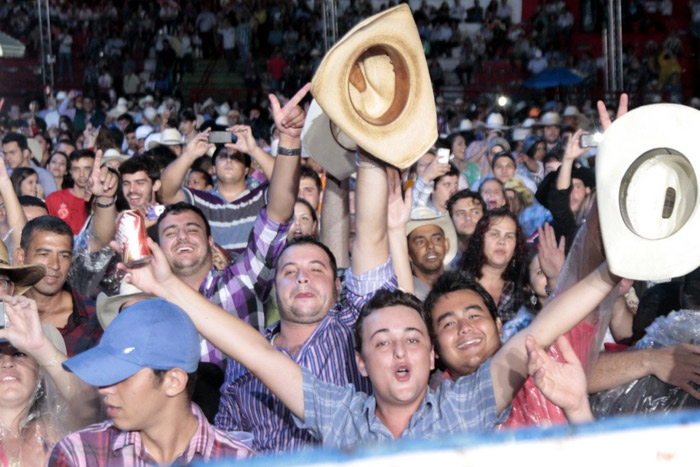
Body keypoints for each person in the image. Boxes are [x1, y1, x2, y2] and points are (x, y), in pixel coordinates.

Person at [118, 234, 616, 450]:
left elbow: (538, 331)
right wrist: (166, 288)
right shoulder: (340, 415)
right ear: (360, 360)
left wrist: (610, 273)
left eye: (412, 339)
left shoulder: (465, 407)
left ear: (430, 355)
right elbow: (256, 352)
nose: (399, 352)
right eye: (382, 342)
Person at [49, 300, 254, 465]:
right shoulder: (80, 455)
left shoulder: (240, 460)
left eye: (122, 375)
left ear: (174, 381)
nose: (105, 389)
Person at [0, 259, 99, 465]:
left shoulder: (58, 429)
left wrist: (39, 348)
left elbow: (90, 406)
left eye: (19, 354)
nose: (7, 363)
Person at [459, 207, 527, 323]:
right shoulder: (458, 283)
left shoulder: (525, 283)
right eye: (494, 234)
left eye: (509, 236)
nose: (502, 241)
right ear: (480, 239)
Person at [46, 150, 95, 235]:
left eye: (87, 169)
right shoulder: (54, 199)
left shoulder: (100, 201)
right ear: (70, 172)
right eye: (76, 169)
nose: (81, 174)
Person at [2, 133, 57, 198]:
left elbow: (53, 203)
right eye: (5, 153)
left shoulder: (43, 176)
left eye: (12, 152)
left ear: (25, 153)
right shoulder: (6, 175)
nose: (8, 157)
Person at [446, 190, 485, 268]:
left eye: (475, 212)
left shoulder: (494, 252)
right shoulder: (445, 256)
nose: (468, 218)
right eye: (460, 214)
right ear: (450, 218)